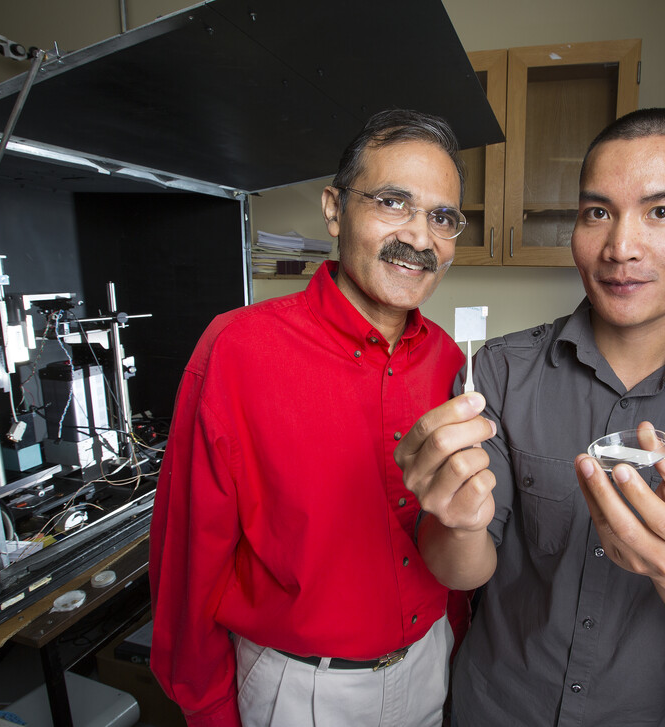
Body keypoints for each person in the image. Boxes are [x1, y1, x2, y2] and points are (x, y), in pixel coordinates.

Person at [396, 108, 665, 726]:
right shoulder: (500, 372)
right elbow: (459, 571)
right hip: (494, 709)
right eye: (598, 212)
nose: (621, 247)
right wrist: (455, 521)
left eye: (661, 212)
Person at [149, 109, 472, 727]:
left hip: (429, 665)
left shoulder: (448, 362)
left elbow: (450, 535)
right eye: (394, 202)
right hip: (302, 692)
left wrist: (450, 643)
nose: (421, 238)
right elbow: (191, 555)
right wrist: (209, 710)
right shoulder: (237, 350)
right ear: (334, 209)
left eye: (442, 217)